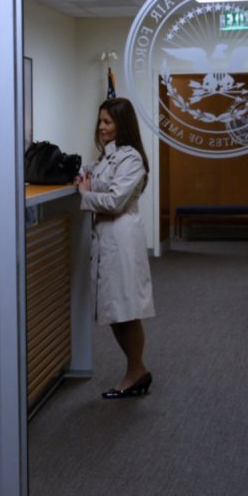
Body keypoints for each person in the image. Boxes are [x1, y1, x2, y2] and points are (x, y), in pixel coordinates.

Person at [75, 98, 156, 399]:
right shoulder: (110, 155)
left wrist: (85, 192)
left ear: (123, 124)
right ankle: (137, 370)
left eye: (107, 122)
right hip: (107, 235)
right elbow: (98, 177)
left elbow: (114, 201)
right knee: (115, 309)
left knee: (125, 309)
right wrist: (85, 176)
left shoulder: (132, 159)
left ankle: (136, 370)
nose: (102, 127)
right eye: (100, 122)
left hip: (122, 236)